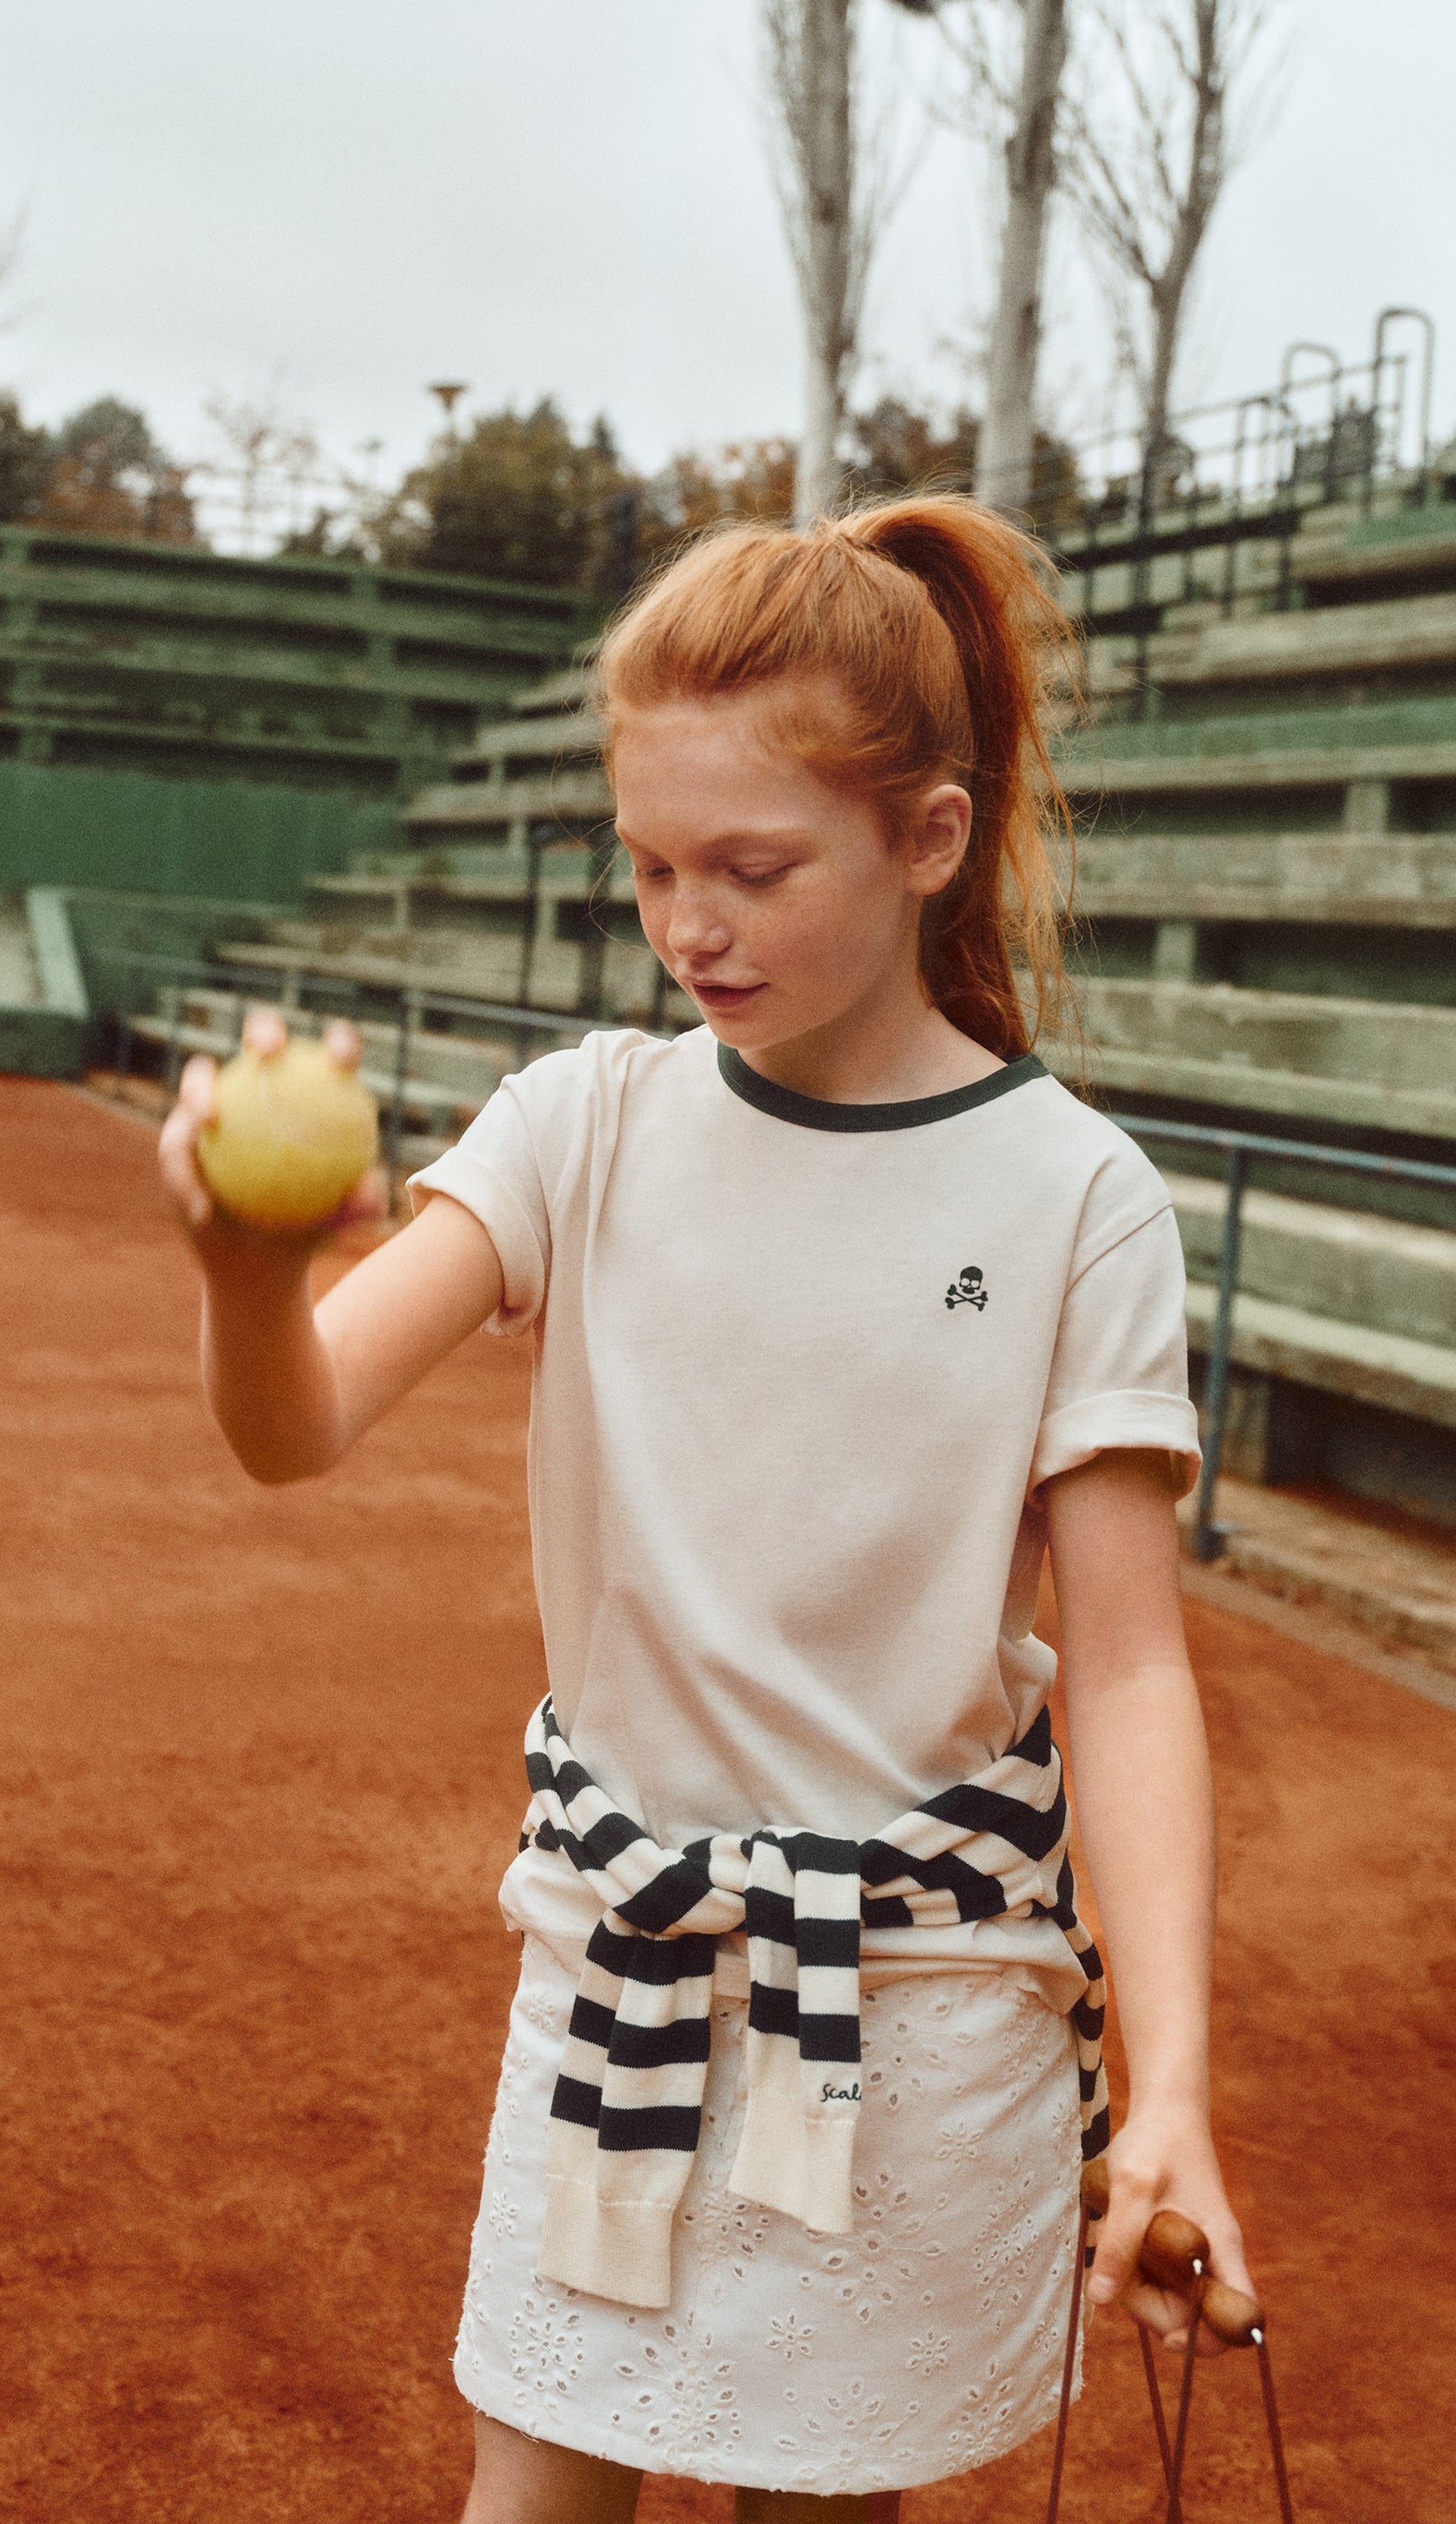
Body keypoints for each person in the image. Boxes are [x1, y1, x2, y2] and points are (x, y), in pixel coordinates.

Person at [158, 496, 1253, 2524]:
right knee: (533, 2498)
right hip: (615, 1957)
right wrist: (243, 1264)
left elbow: (1124, 1673)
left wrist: (1171, 2088)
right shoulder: (578, 1121)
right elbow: (295, 1422)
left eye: (751, 870)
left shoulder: (1071, 1193)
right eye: (651, 868)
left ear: (927, 840)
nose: (690, 927)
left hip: (915, 2008)